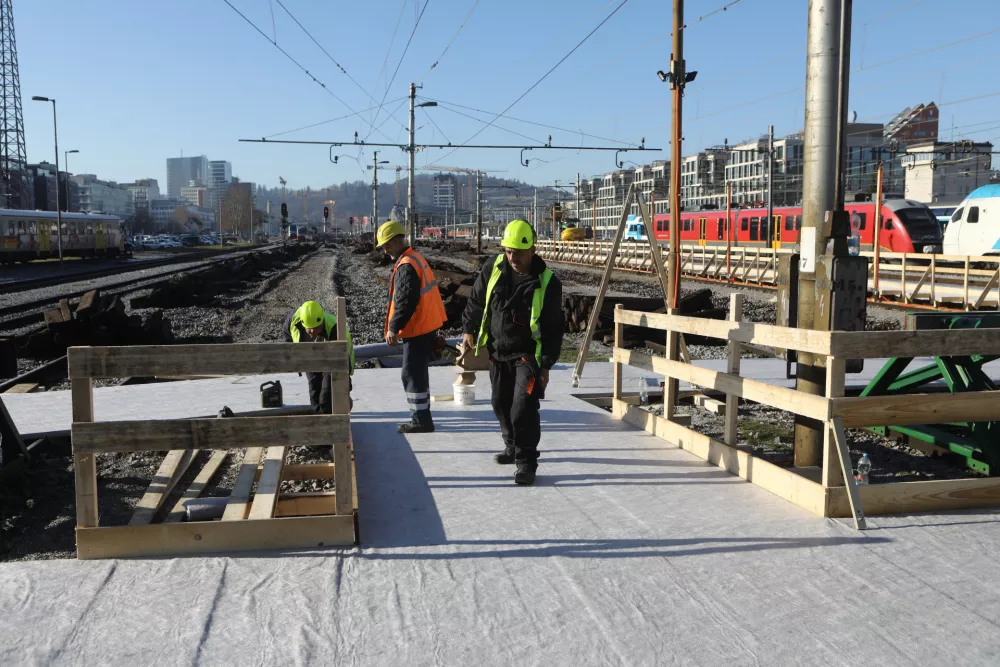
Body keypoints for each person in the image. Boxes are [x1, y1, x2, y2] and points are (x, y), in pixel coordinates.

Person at [460, 220, 563, 486]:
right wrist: (468, 330)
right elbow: (476, 299)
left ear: (532, 250)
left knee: (523, 407)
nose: (512, 257)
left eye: (518, 252)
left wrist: (547, 366)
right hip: (497, 351)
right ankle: (512, 446)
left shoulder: (548, 283)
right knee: (499, 403)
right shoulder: (494, 267)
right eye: (508, 251)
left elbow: (553, 328)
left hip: (528, 356)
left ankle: (526, 462)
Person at [377, 221, 447, 433]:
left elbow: (405, 301)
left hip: (418, 327)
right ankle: (422, 416)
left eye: (388, 245)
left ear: (399, 240)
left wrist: (393, 328)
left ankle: (421, 420)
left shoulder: (407, 264)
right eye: (383, 246)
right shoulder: (414, 258)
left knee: (411, 373)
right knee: (417, 372)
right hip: (425, 324)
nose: (385, 250)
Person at [282, 300, 355, 414]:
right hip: (310, 359)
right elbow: (288, 339)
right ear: (302, 323)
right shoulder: (292, 320)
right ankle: (320, 419)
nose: (313, 332)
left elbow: (343, 358)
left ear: (322, 322)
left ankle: (336, 411)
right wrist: (294, 358)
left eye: (317, 328)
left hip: (331, 360)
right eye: (309, 329)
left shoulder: (334, 328)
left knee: (326, 395)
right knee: (315, 394)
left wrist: (346, 380)